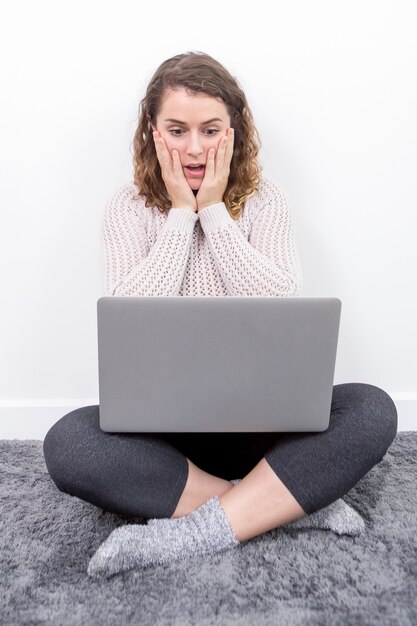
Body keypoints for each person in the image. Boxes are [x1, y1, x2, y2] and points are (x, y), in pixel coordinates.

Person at [43, 51, 398, 578]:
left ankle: (198, 529)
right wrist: (181, 215)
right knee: (68, 444)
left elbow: (280, 299)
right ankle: (274, 506)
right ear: (152, 131)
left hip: (262, 430)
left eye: (210, 130)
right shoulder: (127, 208)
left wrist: (213, 209)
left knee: (372, 409)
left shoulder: (264, 202)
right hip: (167, 441)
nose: (194, 147)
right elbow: (128, 308)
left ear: (234, 130)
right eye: (177, 130)